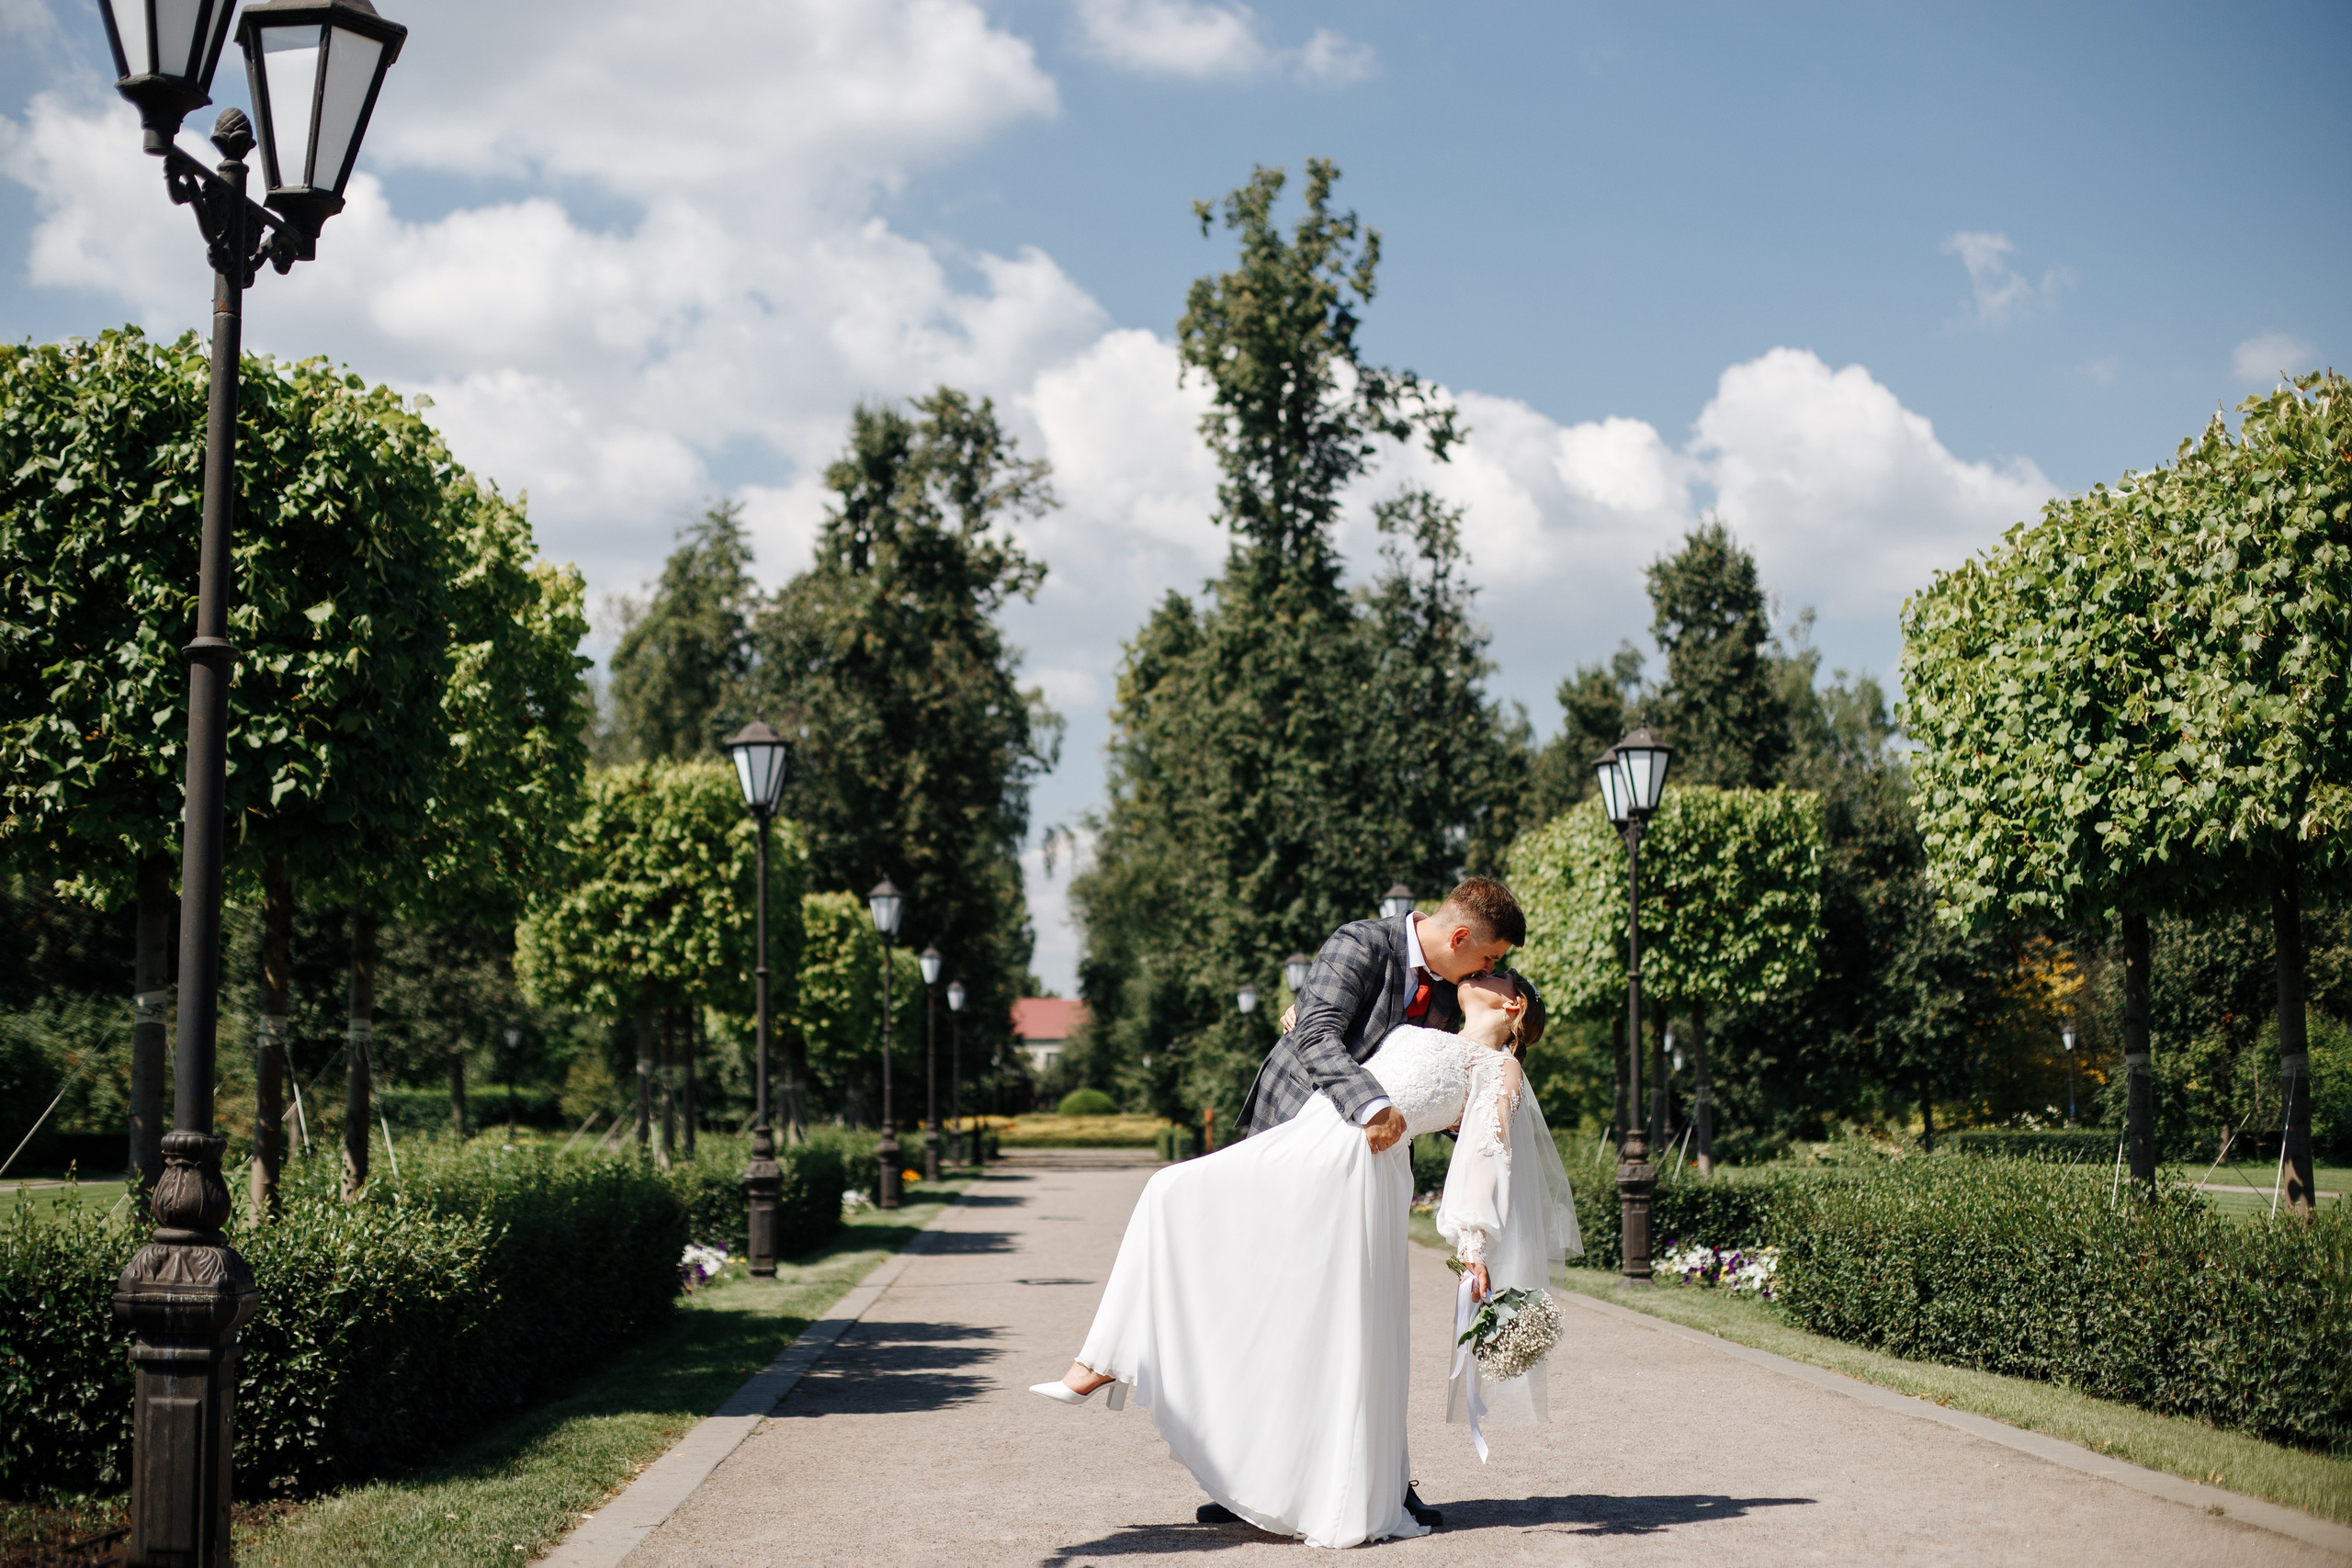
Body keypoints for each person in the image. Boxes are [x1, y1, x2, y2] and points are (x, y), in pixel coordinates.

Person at [1029, 971, 1579, 1549]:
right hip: (1311, 1135)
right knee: (1181, 1205)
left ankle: (1113, 1362)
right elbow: (1346, 1043)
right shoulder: (1422, 1025)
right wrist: (1307, 1016)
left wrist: (1473, 1246)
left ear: (1510, 1002)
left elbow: (1486, 1159)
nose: (1477, 971)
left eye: (1492, 971)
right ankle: (1117, 1355)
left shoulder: (1500, 1069)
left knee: (1305, 1311)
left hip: (1355, 1169)